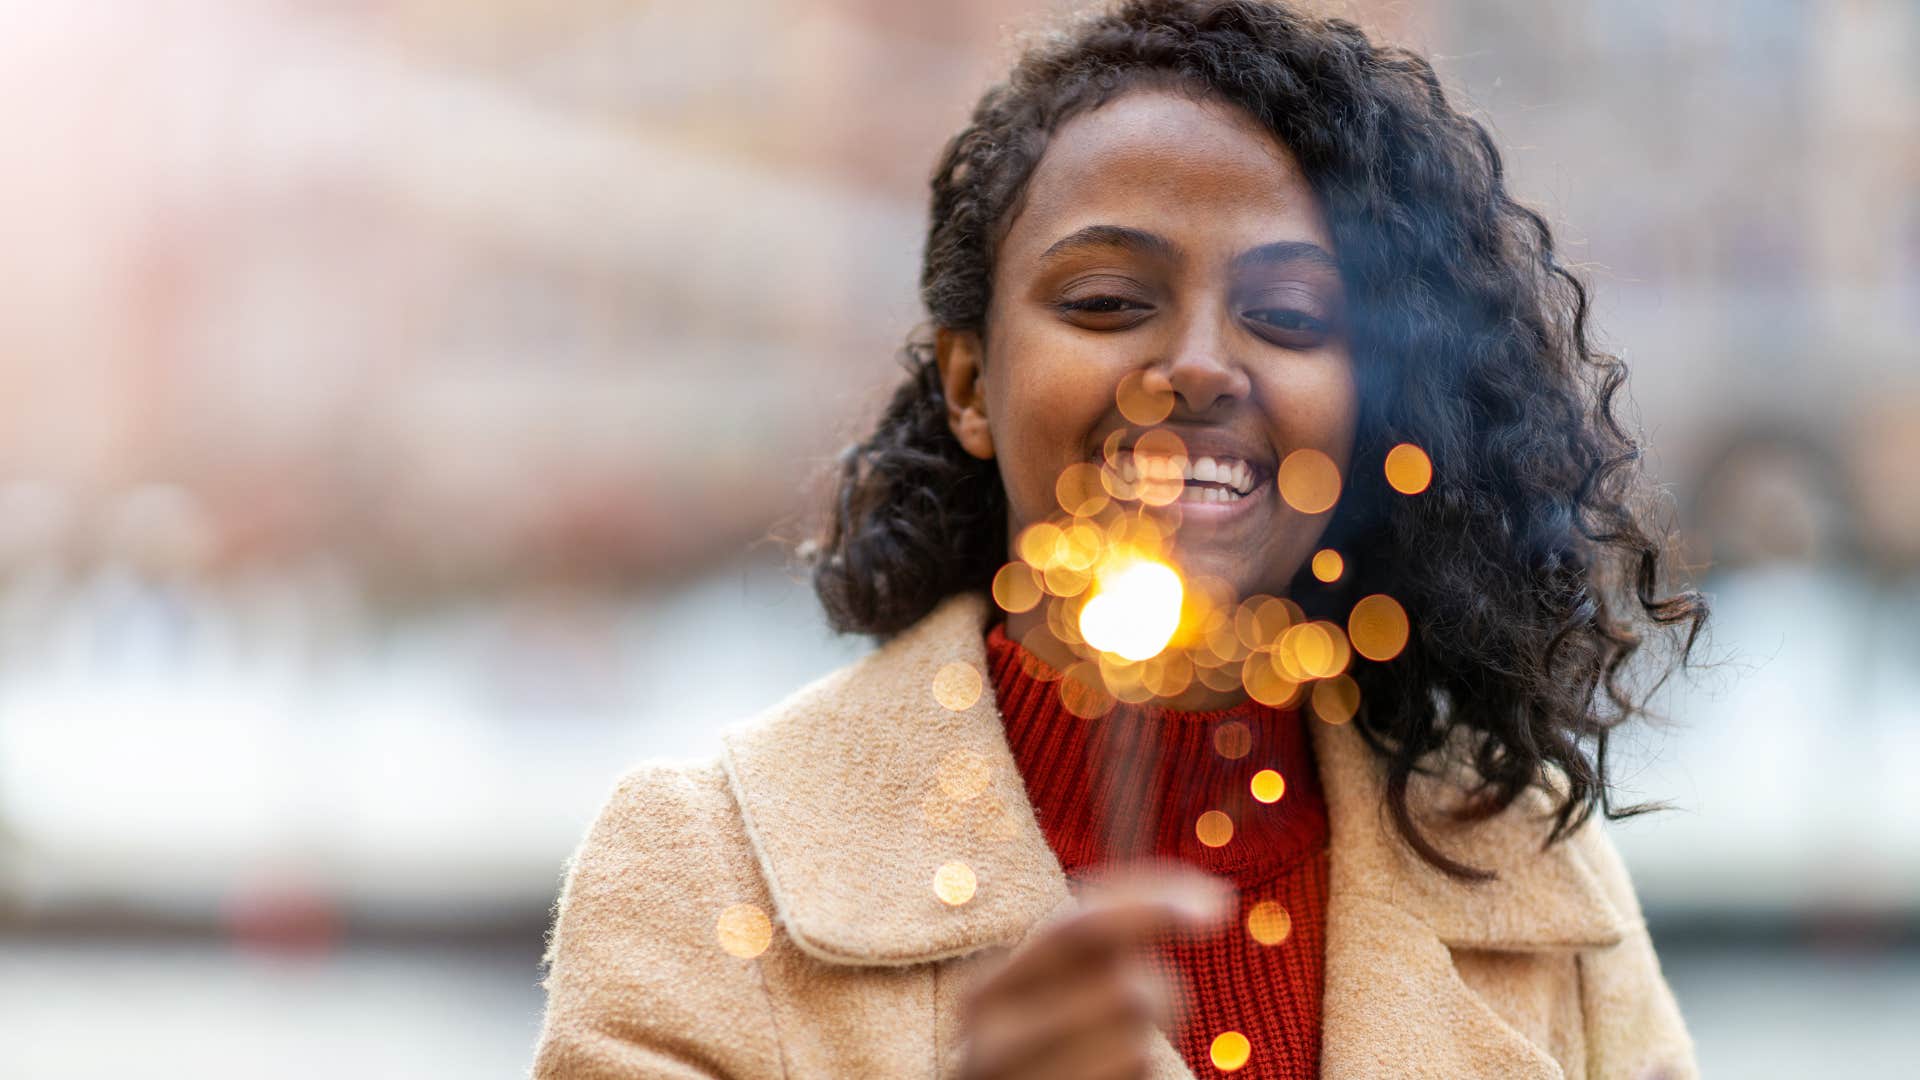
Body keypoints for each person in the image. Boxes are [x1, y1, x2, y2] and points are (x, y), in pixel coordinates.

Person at [533, 1, 1708, 1076]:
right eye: (1104, 302)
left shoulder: (1527, 867)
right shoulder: (704, 865)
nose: (1197, 365)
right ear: (970, 385)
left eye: (1290, 317)